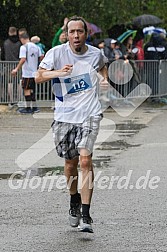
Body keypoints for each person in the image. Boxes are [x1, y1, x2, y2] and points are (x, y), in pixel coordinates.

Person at [35, 16, 108, 233]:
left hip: (90, 114)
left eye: (80, 31)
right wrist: (59, 73)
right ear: (66, 34)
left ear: (86, 34)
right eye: (72, 32)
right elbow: (38, 76)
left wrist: (104, 79)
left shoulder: (96, 53)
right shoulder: (56, 53)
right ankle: (74, 200)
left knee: (85, 161)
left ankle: (86, 214)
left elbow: (103, 66)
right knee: (70, 163)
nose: (76, 36)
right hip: (64, 116)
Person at [11, 33, 42, 114]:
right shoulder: (36, 47)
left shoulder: (24, 47)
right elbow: (41, 57)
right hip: (34, 72)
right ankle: (35, 107)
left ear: (22, 39)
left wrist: (16, 69)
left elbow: (23, 59)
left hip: (27, 73)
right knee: (32, 90)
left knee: (26, 90)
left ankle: (28, 108)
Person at [1, 26, 21, 106]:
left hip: (7, 65)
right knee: (17, 83)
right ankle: (16, 99)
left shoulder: (5, 43)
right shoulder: (20, 43)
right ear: (16, 32)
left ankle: (7, 99)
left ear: (9, 32)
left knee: (8, 82)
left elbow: (2, 55)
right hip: (17, 65)